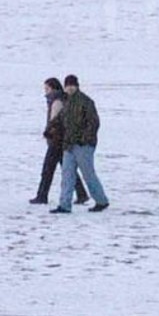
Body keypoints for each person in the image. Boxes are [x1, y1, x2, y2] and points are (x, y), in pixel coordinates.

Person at [51, 75, 111, 214]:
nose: (70, 88)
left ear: (77, 86)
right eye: (67, 85)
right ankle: (64, 205)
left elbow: (94, 123)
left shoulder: (86, 101)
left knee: (88, 174)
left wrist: (84, 139)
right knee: (67, 175)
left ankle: (101, 201)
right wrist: (50, 129)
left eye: (72, 85)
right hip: (68, 145)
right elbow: (60, 120)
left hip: (83, 146)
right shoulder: (67, 103)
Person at [30, 78, 89, 206]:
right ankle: (81, 194)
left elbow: (54, 122)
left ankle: (42, 196)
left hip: (56, 141)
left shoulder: (56, 101)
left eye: (47, 89)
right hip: (62, 140)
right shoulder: (61, 99)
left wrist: (48, 133)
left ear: (53, 89)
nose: (45, 92)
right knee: (68, 169)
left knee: (48, 169)